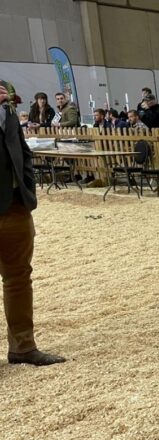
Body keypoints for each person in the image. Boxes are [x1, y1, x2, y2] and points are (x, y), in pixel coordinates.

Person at [0, 81, 66, 367]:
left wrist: (27, 189)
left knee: (18, 277)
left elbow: (22, 151)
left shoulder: (9, 112)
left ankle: (23, 347)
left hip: (15, 204)